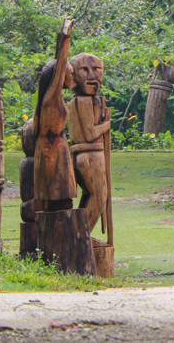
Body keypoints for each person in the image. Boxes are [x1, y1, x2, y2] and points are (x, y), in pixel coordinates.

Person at [33, 19, 77, 213]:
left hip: (52, 148)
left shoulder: (48, 100)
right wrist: (66, 35)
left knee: (57, 202)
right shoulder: (52, 98)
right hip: (53, 150)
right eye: (71, 73)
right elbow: (60, 66)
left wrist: (61, 39)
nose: (73, 78)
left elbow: (59, 66)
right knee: (58, 200)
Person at [67, 52, 112, 232]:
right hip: (89, 154)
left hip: (87, 154)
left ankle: (79, 235)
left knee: (91, 195)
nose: (92, 75)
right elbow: (90, 132)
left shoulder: (86, 101)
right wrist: (106, 125)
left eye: (96, 69)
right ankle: (80, 237)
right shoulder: (83, 102)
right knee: (100, 197)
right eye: (84, 70)